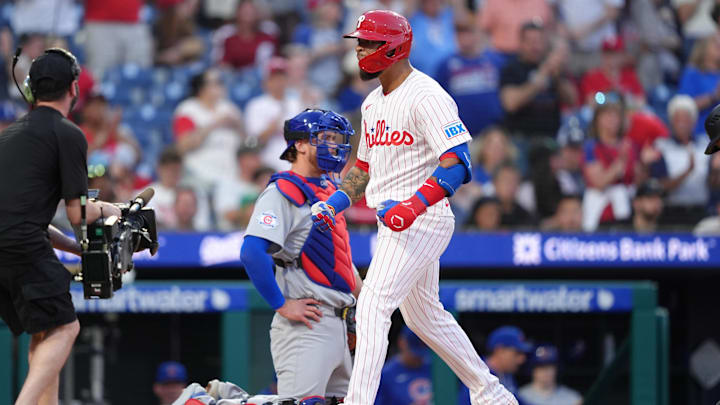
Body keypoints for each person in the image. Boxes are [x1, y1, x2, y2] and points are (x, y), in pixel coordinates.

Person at [313, 10, 518, 404]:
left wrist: (412, 205)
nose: (360, 51)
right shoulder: (373, 104)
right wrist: (335, 203)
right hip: (392, 220)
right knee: (425, 317)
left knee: (372, 305)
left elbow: (458, 161)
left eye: (368, 42)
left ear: (393, 46)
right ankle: (491, 392)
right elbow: (363, 169)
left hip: (422, 218)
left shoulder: (427, 94)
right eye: (360, 42)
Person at [0, 48, 121, 405]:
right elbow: (79, 213)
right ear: (74, 88)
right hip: (20, 244)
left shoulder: (9, 136)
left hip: (10, 245)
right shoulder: (68, 134)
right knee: (67, 326)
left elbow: (24, 220)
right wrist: (110, 208)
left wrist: (75, 248)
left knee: (45, 332)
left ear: (30, 88)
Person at [240, 109, 362, 402]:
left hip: (341, 324)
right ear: (301, 144)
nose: (334, 146)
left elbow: (339, 260)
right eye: (325, 138)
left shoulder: (331, 191)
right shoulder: (283, 190)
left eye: (336, 139)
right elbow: (252, 252)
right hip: (308, 325)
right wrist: (281, 305)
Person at [499, 21, 577, 140]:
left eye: (539, 41)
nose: (535, 46)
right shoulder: (511, 68)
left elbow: (572, 100)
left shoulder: (554, 67)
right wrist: (543, 73)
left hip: (552, 136)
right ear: (521, 43)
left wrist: (557, 78)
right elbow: (510, 104)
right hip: (521, 138)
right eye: (530, 42)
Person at [172, 68, 244, 189]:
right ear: (201, 88)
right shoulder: (188, 109)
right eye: (216, 82)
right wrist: (215, 124)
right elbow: (183, 145)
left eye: (221, 82)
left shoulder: (230, 108)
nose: (221, 86)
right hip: (199, 173)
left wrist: (238, 125)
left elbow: (246, 142)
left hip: (230, 174)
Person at [435, 17, 506, 137]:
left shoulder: (496, 61)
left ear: (477, 34)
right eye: (461, 34)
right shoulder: (446, 65)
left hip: (493, 132)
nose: (465, 38)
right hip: (460, 134)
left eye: (468, 33)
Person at [652, 95, 710, 226]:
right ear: (671, 122)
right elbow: (661, 186)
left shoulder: (706, 145)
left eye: (686, 119)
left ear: (694, 122)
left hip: (701, 210)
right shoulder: (661, 146)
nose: (682, 124)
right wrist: (687, 171)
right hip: (671, 212)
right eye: (678, 119)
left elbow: (713, 183)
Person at [244, 57, 303, 171]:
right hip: (267, 163)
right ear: (266, 81)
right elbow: (253, 142)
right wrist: (272, 128)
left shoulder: (296, 103)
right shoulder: (256, 105)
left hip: (295, 162)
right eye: (274, 78)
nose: (279, 82)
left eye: (282, 78)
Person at [458, 326, 531, 405]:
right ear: (500, 351)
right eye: (517, 353)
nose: (521, 359)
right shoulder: (477, 374)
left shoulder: (505, 375)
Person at [375, 326, 433, 405]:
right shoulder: (386, 375)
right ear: (402, 343)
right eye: (414, 353)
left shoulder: (434, 368)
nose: (418, 358)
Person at [214, 145, 263, 231]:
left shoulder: (263, 183)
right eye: (252, 157)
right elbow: (227, 214)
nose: (258, 160)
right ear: (241, 160)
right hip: (231, 235)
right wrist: (250, 212)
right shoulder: (228, 184)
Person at [518, 345, 583, 405]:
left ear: (557, 369)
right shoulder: (519, 396)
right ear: (532, 369)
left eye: (550, 366)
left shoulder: (573, 399)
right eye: (541, 367)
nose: (546, 371)